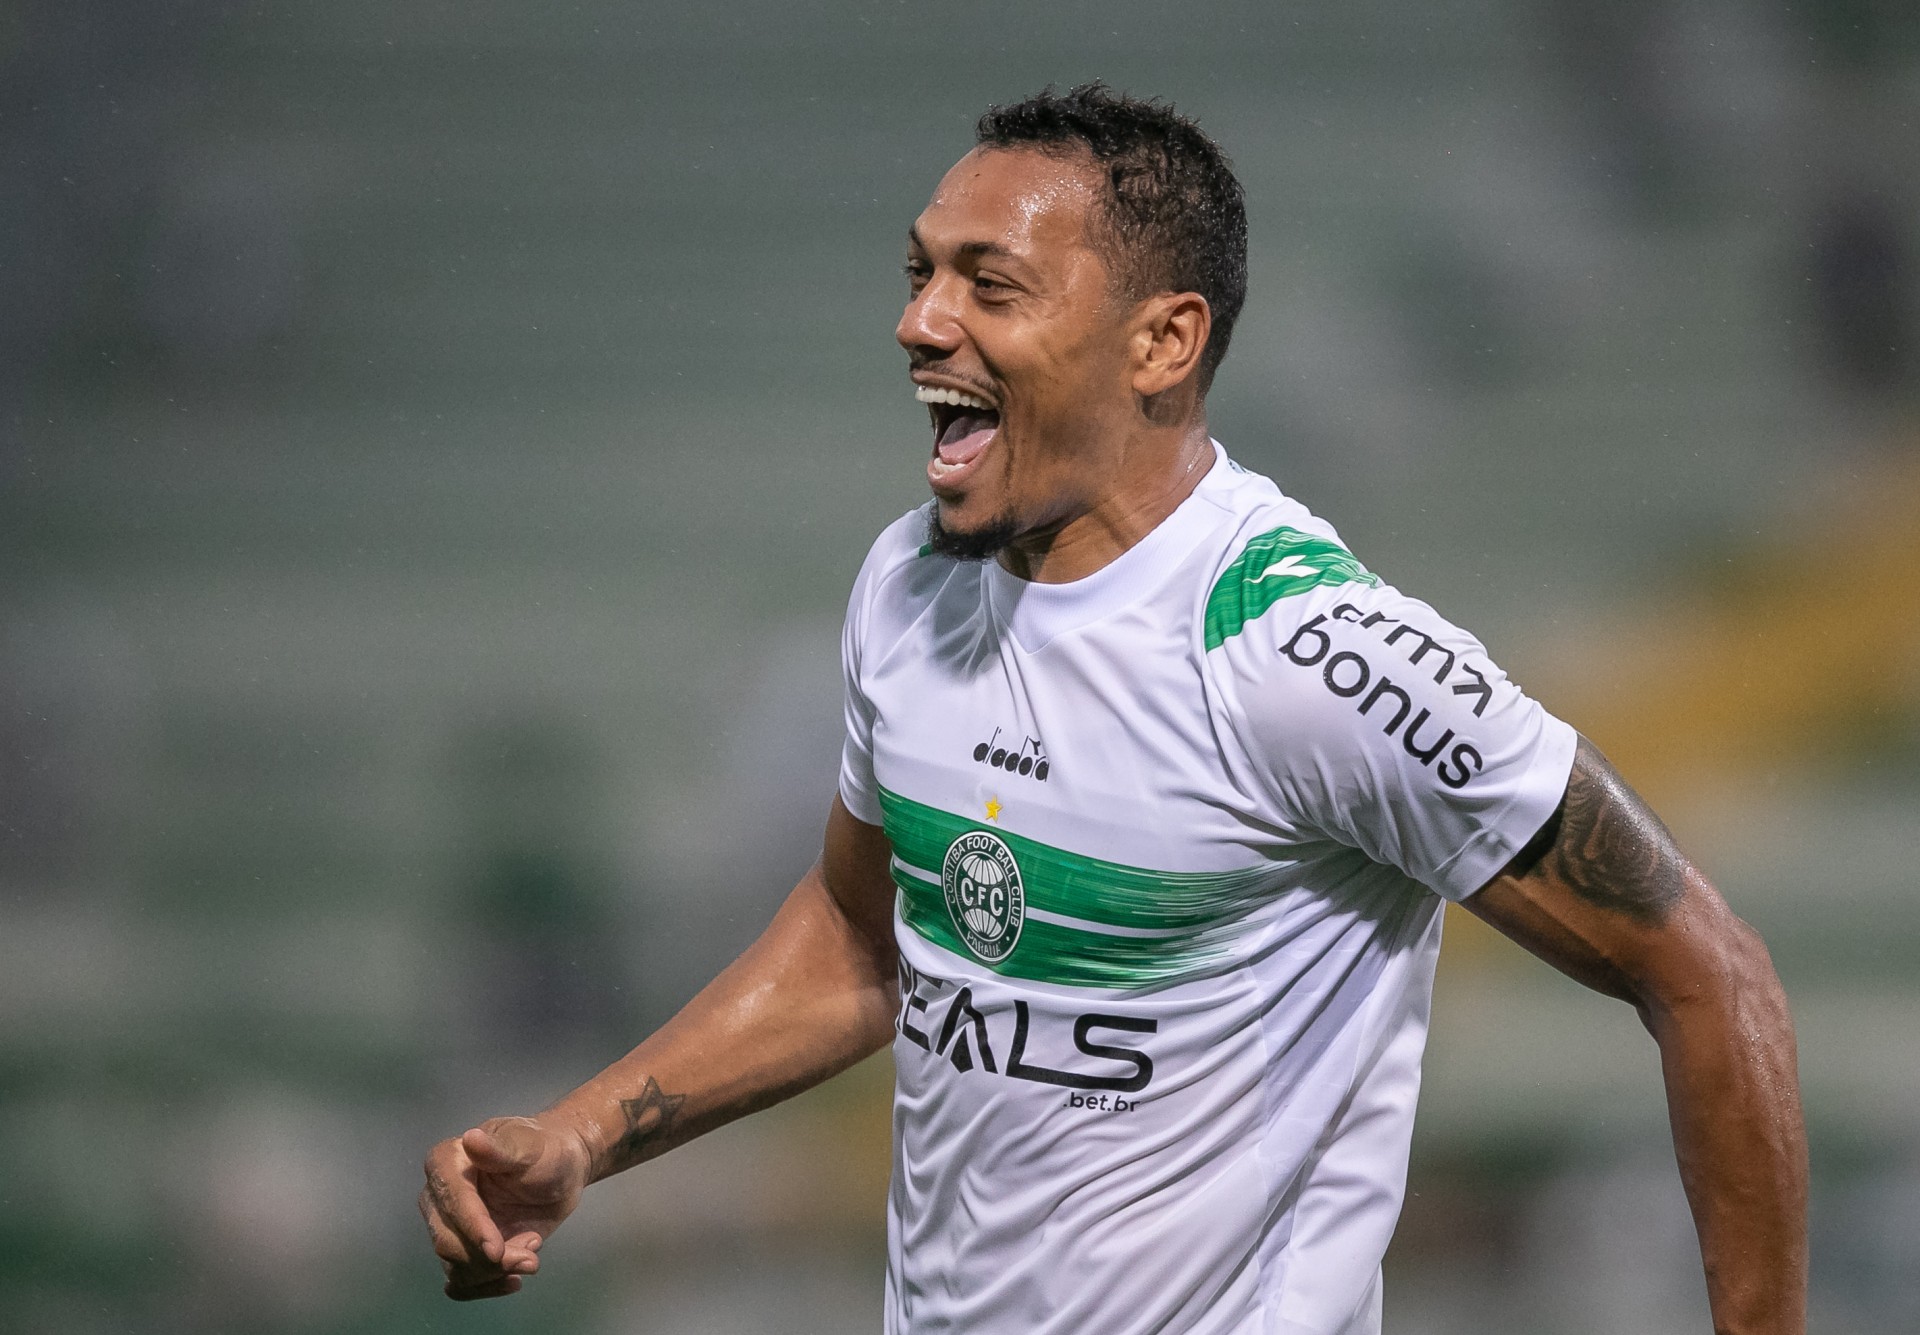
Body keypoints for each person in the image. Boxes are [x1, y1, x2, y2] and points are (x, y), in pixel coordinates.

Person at [419, 84, 1806, 1334]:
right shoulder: (909, 584)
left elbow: (1710, 975)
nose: (921, 321)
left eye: (990, 284)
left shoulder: (1305, 650)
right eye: (920, 273)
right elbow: (862, 934)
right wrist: (583, 1135)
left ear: (1161, 342)